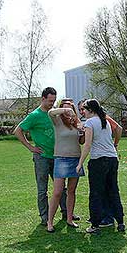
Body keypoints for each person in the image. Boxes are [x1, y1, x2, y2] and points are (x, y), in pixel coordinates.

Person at [14, 87, 67, 226]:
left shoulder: (53, 113)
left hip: (57, 155)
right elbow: (18, 131)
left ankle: (67, 212)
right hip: (42, 157)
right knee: (42, 189)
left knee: (61, 187)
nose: (52, 104)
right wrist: (30, 147)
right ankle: (45, 216)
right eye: (50, 101)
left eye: (54, 101)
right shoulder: (34, 115)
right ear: (42, 98)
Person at [76, 99, 125, 233]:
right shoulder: (105, 121)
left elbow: (87, 144)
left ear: (91, 110)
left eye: (84, 109)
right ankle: (120, 221)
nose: (83, 112)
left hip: (99, 161)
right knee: (113, 191)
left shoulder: (90, 122)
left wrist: (80, 163)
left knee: (96, 193)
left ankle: (95, 225)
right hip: (112, 159)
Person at [46, 99, 85, 232]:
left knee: (72, 191)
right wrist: (64, 110)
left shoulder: (76, 123)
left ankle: (69, 219)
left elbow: (81, 141)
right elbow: (50, 112)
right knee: (57, 192)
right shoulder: (57, 121)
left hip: (75, 159)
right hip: (61, 158)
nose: (68, 111)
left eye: (70, 108)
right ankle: (49, 222)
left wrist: (82, 132)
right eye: (65, 108)